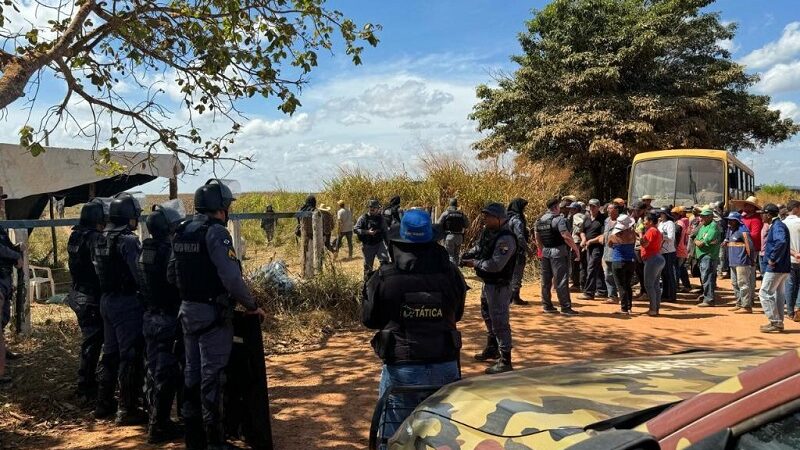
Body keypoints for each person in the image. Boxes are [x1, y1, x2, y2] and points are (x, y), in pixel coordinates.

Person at [170, 179, 266, 449]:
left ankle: (194, 437)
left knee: (192, 374)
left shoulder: (182, 230)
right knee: (212, 377)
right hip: (211, 314)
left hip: (187, 311)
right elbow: (232, 278)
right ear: (221, 208)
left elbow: (171, 273)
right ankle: (215, 441)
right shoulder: (216, 234)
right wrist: (251, 305)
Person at [362, 209, 466, 444]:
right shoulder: (451, 274)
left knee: (394, 437)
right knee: (443, 436)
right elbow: (457, 314)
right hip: (445, 364)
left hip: (403, 369)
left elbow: (370, 320)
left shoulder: (385, 277)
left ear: (398, 241)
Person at [92, 193, 146, 424]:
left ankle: (103, 403)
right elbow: (139, 274)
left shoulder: (100, 238)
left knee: (110, 353)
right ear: (128, 217)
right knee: (129, 355)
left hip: (106, 301)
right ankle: (127, 408)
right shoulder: (128, 240)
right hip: (126, 303)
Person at [138, 204, 185, 443]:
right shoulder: (169, 251)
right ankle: (159, 426)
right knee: (167, 373)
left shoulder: (146, 248)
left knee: (152, 370)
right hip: (168, 317)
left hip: (150, 317)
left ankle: (154, 419)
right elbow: (176, 280)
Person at [461, 203, 518, 373]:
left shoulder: (506, 238)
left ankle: (505, 359)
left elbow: (496, 265)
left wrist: (474, 263)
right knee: (487, 314)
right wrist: (469, 253)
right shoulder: (489, 231)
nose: (484, 219)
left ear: (499, 218)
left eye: (488, 216)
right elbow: (480, 246)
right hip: (488, 283)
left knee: (499, 320)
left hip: (499, 286)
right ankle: (492, 348)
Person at [66, 199, 106, 402]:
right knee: (93, 341)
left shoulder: (76, 235)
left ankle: (89, 382)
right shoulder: (94, 239)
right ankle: (86, 387)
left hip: (78, 293)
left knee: (91, 339)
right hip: (90, 296)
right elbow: (100, 268)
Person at [535, 198, 581, 315]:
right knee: (561, 280)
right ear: (556, 207)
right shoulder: (559, 219)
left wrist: (541, 250)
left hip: (545, 252)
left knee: (546, 281)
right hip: (558, 253)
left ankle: (547, 305)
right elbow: (565, 235)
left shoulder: (540, 220)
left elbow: (537, 237)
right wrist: (575, 249)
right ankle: (565, 307)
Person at [759, 203, 791, 333]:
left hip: (776, 267)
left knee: (764, 292)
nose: (761, 216)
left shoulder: (777, 226)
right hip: (782, 266)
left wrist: (773, 258)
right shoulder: (778, 225)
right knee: (778, 294)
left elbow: (781, 241)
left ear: (768, 214)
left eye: (762, 213)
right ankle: (778, 322)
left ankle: (775, 321)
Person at [0, 195, 22, 384]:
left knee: (3, 319)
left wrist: (14, 249)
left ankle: (2, 353)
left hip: (4, 277)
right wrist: (15, 255)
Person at [724, 212, 755, 314]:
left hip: (742, 261)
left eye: (731, 220)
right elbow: (728, 239)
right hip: (733, 261)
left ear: (737, 221)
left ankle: (746, 306)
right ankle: (739, 303)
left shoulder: (743, 231)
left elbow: (749, 246)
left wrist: (751, 260)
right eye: (729, 219)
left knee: (743, 283)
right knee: (734, 283)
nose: (729, 221)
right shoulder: (730, 230)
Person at [607, 214, 637, 315]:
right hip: (631, 261)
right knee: (627, 284)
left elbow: (609, 244)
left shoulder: (614, 235)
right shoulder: (632, 234)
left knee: (621, 285)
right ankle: (629, 307)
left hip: (618, 261)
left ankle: (624, 308)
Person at [354, 199, 390, 279]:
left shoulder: (381, 219)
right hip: (368, 246)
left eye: (374, 207)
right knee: (368, 267)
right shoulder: (363, 218)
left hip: (379, 244)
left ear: (377, 208)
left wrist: (389, 245)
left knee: (385, 262)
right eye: (371, 207)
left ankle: (385, 281)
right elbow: (355, 229)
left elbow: (385, 232)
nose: (372, 209)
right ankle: (366, 285)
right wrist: (367, 232)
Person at [694, 208, 722, 307]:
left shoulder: (713, 226)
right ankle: (707, 296)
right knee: (705, 277)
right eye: (701, 216)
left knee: (708, 277)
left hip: (708, 255)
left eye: (704, 216)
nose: (702, 218)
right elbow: (696, 238)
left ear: (710, 216)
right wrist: (698, 241)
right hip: (702, 255)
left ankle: (709, 299)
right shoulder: (703, 226)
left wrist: (699, 242)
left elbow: (702, 242)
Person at [580, 199, 607, 300]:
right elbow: (582, 231)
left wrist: (591, 241)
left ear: (598, 207)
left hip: (597, 247)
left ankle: (589, 292)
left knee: (591, 267)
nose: (592, 208)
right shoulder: (586, 218)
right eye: (590, 206)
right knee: (597, 267)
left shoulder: (603, 219)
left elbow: (603, 234)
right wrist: (583, 239)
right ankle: (602, 290)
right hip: (588, 246)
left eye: (594, 206)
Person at [507, 198, 532, 306]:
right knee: (517, 274)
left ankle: (508, 297)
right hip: (517, 251)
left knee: (509, 273)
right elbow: (520, 237)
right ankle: (515, 297)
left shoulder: (506, 218)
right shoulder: (517, 220)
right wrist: (528, 249)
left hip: (507, 250)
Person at [640, 213, 665, 316]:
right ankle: (655, 308)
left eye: (645, 220)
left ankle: (653, 309)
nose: (644, 222)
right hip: (657, 258)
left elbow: (644, 244)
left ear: (650, 221)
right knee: (655, 285)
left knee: (649, 285)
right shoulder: (656, 231)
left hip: (652, 259)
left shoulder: (651, 231)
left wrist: (640, 234)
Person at [438, 198, 468, 266]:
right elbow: (467, 225)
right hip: (459, 237)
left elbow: (438, 224)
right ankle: (456, 271)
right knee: (456, 255)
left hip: (449, 236)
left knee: (450, 255)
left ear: (449, 204)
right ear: (456, 205)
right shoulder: (462, 214)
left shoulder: (446, 213)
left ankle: (451, 272)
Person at [601, 204, 620, 304]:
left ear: (616, 210)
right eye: (608, 209)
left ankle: (623, 296)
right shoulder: (607, 220)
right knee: (608, 274)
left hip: (617, 252)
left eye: (610, 209)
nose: (608, 211)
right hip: (607, 251)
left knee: (618, 275)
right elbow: (605, 234)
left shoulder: (621, 221)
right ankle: (612, 296)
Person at [784, 200, 800, 322]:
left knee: (789, 285)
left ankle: (789, 311)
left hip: (788, 259)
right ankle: (798, 308)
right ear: (796, 208)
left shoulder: (782, 223)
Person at [657, 208, 677, 303]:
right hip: (661, 251)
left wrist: (661, 236)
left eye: (662, 213)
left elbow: (671, 237)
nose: (661, 215)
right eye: (660, 213)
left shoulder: (670, 223)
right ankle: (665, 294)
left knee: (669, 274)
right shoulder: (660, 224)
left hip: (669, 251)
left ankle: (672, 295)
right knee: (663, 275)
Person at [672, 206, 692, 292]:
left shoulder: (678, 225)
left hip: (678, 250)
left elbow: (677, 239)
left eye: (673, 214)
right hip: (682, 249)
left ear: (677, 215)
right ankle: (686, 286)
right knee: (681, 268)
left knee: (676, 269)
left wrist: (674, 250)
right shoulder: (680, 222)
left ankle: (676, 287)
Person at [569, 202, 587, 291]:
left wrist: (579, 233)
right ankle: (582, 283)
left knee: (575, 263)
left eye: (571, 209)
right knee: (582, 263)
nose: (570, 210)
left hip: (577, 241)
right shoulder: (584, 215)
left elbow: (580, 224)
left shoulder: (576, 216)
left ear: (576, 209)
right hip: (581, 241)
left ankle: (577, 284)